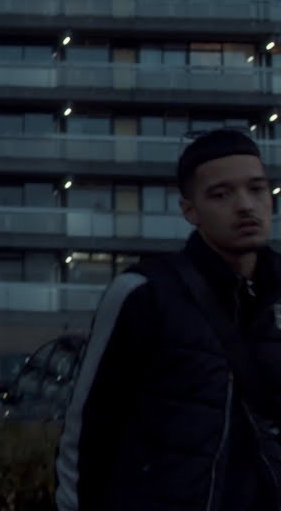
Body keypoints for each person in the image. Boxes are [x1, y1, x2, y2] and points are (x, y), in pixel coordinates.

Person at [56, 128, 281, 511]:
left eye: (257, 189)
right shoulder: (143, 293)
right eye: (221, 194)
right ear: (189, 210)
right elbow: (87, 431)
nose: (246, 206)